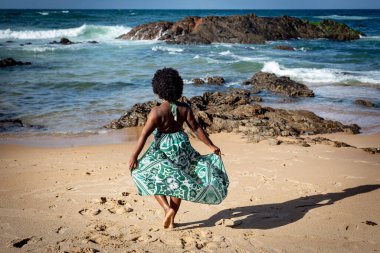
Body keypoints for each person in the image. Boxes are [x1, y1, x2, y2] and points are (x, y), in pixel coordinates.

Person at [129, 68, 229, 229]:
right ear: (178, 88)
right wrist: (211, 146)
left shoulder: (156, 112)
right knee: (180, 182)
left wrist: (134, 156)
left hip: (163, 147)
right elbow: (196, 129)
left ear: (158, 91)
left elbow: (144, 135)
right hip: (182, 147)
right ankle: (172, 220)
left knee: (148, 175)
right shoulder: (185, 108)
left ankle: (166, 208)